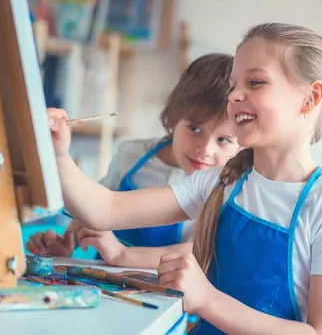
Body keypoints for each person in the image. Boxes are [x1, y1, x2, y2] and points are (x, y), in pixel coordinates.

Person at [48, 23, 322, 334]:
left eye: (254, 82)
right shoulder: (220, 182)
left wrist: (206, 299)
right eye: (234, 85)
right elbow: (107, 210)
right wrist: (59, 154)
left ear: (310, 99)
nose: (234, 96)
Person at [26, 53, 240, 269]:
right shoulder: (132, 155)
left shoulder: (224, 187)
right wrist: (66, 247)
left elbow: (193, 253)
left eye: (223, 140)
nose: (205, 149)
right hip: (101, 282)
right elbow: (92, 206)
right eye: (195, 129)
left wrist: (121, 254)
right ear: (174, 118)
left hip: (163, 293)